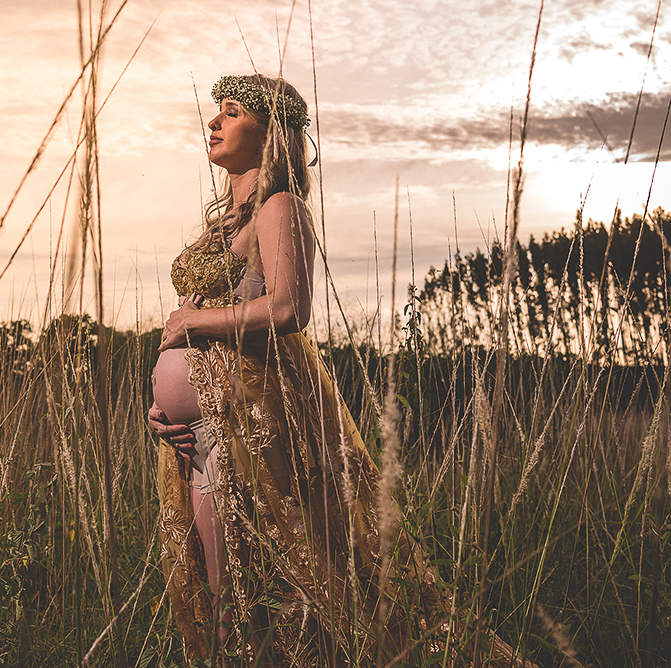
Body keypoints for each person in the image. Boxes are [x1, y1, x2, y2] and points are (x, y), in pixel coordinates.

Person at [147, 74, 522, 665]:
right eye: (214, 113)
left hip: (248, 429)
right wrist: (164, 409)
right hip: (198, 434)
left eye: (233, 113)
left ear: (272, 133)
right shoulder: (222, 224)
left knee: (269, 594)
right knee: (222, 596)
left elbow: (290, 307)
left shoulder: (281, 206)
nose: (214, 122)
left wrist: (195, 326)